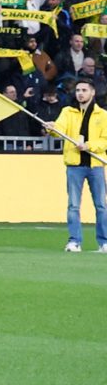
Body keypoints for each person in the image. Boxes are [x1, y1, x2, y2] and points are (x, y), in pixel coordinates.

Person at [56, 76, 107, 254]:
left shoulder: (103, 115)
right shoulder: (67, 112)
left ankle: (104, 242)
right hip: (74, 165)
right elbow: (59, 131)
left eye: (84, 90)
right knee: (73, 205)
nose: (80, 93)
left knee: (101, 205)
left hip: (96, 165)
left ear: (92, 92)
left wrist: (89, 146)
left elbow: (105, 141)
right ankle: (74, 241)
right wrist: (51, 127)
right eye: (78, 90)